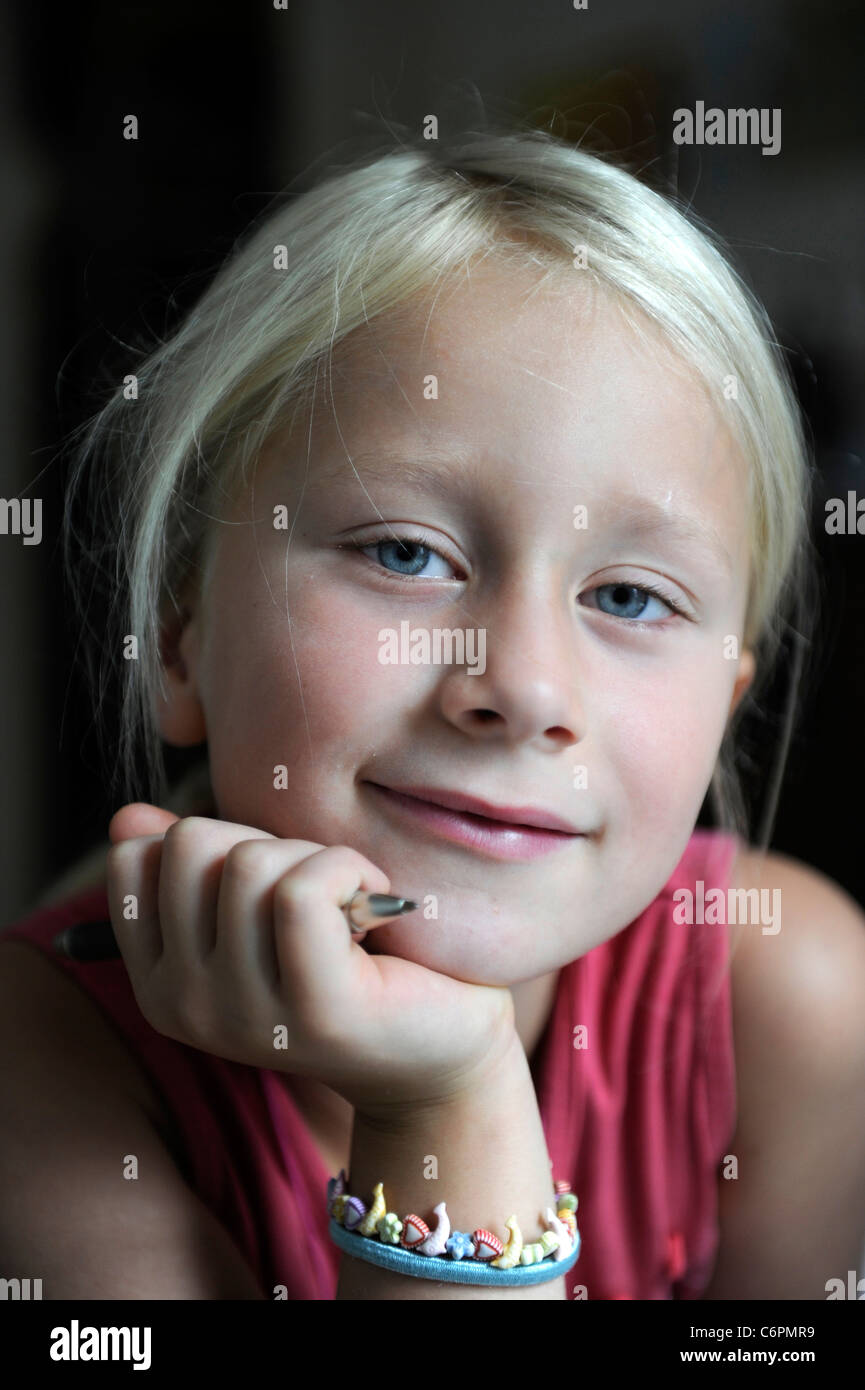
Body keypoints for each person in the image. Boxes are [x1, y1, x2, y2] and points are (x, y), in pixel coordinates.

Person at [2, 128, 864, 1301]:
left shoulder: (787, 1008)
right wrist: (445, 1107)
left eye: (628, 596)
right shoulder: (43, 1066)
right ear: (179, 632)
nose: (519, 686)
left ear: (725, 704)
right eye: (405, 552)